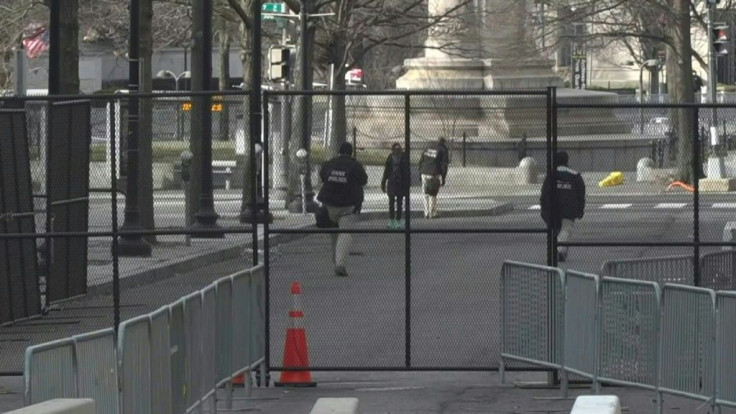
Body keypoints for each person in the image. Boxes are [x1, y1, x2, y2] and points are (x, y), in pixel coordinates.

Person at [317, 142, 368, 277]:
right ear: (350, 153)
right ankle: (340, 264)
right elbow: (364, 180)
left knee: (334, 234)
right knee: (345, 234)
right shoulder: (355, 165)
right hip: (348, 206)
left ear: (339, 152)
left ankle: (336, 261)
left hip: (329, 204)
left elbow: (322, 176)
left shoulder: (330, 163)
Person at [540, 151, 586, 263]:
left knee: (554, 229)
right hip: (569, 208)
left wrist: (544, 207)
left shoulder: (551, 175)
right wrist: (580, 209)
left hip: (553, 207)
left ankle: (555, 249)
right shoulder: (575, 175)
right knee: (566, 229)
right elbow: (581, 193)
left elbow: (545, 192)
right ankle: (560, 250)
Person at [418, 137, 449, 218]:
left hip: (424, 171)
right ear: (443, 142)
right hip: (434, 173)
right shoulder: (443, 149)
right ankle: (432, 213)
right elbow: (444, 165)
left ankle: (426, 212)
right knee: (433, 193)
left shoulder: (428, 147)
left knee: (425, 193)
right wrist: (443, 177)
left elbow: (421, 160)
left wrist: (420, 172)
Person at [381, 143, 410, 229]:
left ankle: (392, 222)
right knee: (399, 204)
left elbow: (386, 171)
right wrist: (407, 185)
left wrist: (383, 182)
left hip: (392, 182)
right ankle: (398, 222)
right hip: (401, 183)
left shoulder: (390, 157)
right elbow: (407, 173)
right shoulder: (404, 157)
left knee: (391, 203)